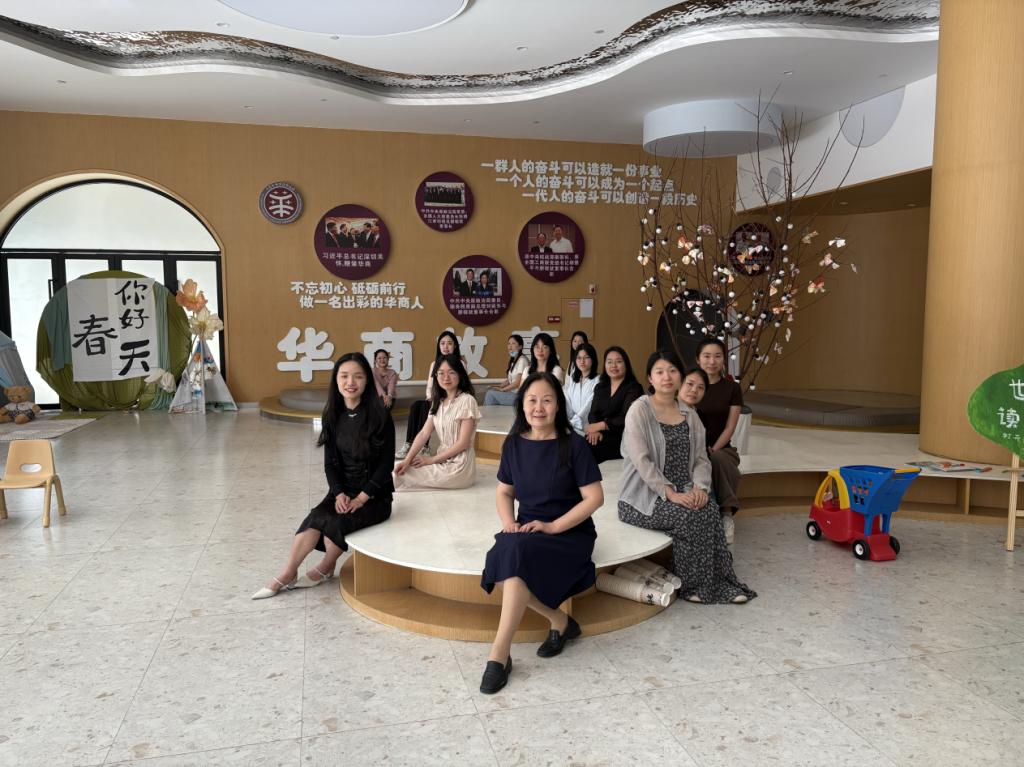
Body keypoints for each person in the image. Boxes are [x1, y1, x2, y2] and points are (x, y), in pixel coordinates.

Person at [479, 372, 604, 694]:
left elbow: (595, 498)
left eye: (547, 400)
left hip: (569, 532)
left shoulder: (574, 445)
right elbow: (504, 492)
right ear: (521, 405)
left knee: (513, 559)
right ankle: (559, 621)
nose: (538, 407)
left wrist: (553, 526)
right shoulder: (514, 444)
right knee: (506, 556)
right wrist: (508, 522)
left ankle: (498, 654)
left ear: (558, 405)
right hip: (527, 529)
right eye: (532, 400)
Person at [617, 352, 756, 605]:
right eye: (659, 372)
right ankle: (693, 586)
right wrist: (670, 493)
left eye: (672, 371)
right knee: (689, 516)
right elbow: (641, 461)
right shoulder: (640, 410)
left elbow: (701, 459)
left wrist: (700, 488)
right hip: (645, 497)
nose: (667, 377)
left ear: (680, 377)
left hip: (685, 489)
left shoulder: (689, 414)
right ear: (650, 378)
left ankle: (721, 581)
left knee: (709, 508)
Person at [252, 352, 394, 599]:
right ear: (336, 380)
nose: (350, 382)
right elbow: (330, 464)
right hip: (343, 490)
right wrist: (338, 493)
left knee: (337, 523)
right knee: (316, 517)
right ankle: (288, 572)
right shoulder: (332, 415)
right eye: (344, 376)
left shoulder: (380, 415)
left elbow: (386, 465)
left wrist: (361, 498)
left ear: (367, 381)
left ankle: (326, 566)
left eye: (358, 376)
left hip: (375, 496)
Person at [394, 355, 480, 489]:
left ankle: (370, 495)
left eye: (451, 372)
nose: (446, 377)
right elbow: (424, 433)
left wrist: (431, 460)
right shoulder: (437, 401)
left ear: (460, 374)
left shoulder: (467, 400)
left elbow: (463, 443)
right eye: (441, 373)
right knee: (399, 468)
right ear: (436, 376)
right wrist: (407, 459)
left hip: (459, 467)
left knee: (400, 474)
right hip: (441, 460)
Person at [691, 338, 744, 544]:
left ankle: (727, 514)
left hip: (721, 449)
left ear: (724, 360)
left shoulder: (732, 389)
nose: (712, 361)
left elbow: (730, 427)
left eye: (717, 356)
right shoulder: (691, 386)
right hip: (692, 448)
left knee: (717, 459)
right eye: (706, 356)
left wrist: (713, 448)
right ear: (698, 359)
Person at [396, 331, 462, 459]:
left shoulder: (460, 364)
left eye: (449, 343)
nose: (446, 346)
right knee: (416, 405)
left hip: (451, 400)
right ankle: (409, 443)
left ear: (455, 346)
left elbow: (460, 387)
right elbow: (430, 386)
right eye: (442, 343)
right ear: (439, 346)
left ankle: (424, 447)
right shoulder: (434, 364)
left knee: (426, 407)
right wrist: (430, 396)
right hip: (435, 398)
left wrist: (440, 399)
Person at [585, 346, 643, 463]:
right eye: (609, 362)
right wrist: (594, 430)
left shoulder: (634, 388)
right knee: (578, 445)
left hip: (622, 437)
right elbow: (593, 413)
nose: (613, 366)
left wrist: (601, 425)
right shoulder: (600, 387)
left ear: (626, 364)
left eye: (618, 361)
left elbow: (627, 417)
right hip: (599, 434)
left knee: (588, 450)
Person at [564, 342, 599, 436]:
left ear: (593, 359)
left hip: (589, 428)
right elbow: (567, 401)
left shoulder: (598, 380)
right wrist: (570, 421)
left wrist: (574, 421)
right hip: (571, 425)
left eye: (586, 357)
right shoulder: (573, 380)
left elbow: (589, 405)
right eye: (579, 358)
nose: (582, 361)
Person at [485, 334, 529, 406]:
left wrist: (503, 390)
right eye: (509, 344)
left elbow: (517, 382)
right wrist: (498, 386)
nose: (510, 346)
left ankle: (486, 413)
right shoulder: (513, 361)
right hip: (512, 393)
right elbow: (509, 380)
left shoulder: (522, 360)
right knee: (491, 391)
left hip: (518, 396)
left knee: (490, 395)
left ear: (520, 346)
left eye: (513, 343)